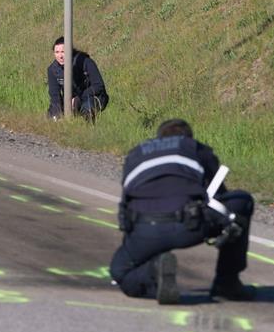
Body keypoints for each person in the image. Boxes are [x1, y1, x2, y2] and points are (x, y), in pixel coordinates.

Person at [109, 119, 255, 304]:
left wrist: (132, 237)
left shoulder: (135, 154)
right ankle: (227, 283)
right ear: (188, 137)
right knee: (241, 201)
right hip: (189, 223)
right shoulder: (194, 148)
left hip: (144, 228)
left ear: (158, 138)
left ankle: (154, 271)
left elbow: (126, 204)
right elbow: (218, 195)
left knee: (120, 272)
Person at [47, 36, 108, 120]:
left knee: (87, 108)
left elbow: (99, 86)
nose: (60, 56)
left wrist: (79, 98)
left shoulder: (85, 62)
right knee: (53, 114)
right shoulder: (52, 70)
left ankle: (87, 131)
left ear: (70, 51)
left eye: (63, 52)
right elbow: (55, 96)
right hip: (70, 99)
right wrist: (58, 114)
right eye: (57, 52)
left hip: (91, 96)